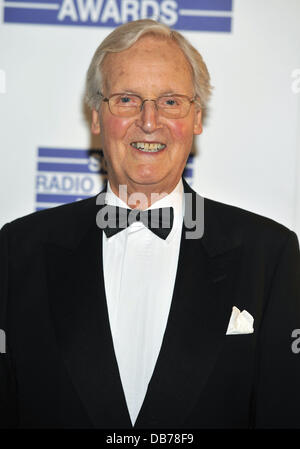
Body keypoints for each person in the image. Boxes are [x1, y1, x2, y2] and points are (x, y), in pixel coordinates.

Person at [0, 19, 299, 429]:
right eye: (126, 99)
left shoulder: (271, 254)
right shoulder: (18, 251)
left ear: (196, 118)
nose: (149, 120)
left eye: (171, 101)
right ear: (95, 117)